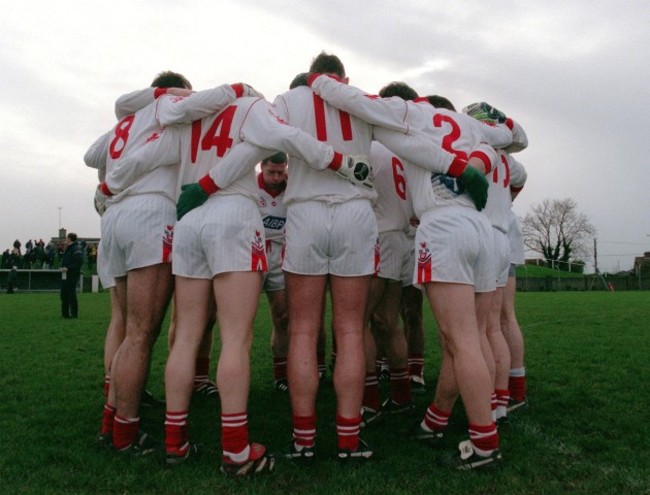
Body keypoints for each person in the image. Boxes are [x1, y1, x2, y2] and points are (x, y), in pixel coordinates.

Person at [117, 79, 371, 473]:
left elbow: (141, 157)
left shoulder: (187, 119)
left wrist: (109, 186)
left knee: (185, 334)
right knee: (236, 339)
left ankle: (174, 441)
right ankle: (235, 450)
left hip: (189, 220)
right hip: (232, 213)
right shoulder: (251, 108)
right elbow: (287, 137)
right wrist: (337, 161)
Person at [275, 53, 474, 463]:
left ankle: (304, 439)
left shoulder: (288, 100)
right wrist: (459, 166)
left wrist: (207, 186)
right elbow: (407, 144)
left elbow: (255, 141)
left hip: (306, 210)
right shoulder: (359, 102)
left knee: (302, 331)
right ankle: (349, 438)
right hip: (355, 214)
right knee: (351, 329)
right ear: (342, 78)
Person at [306, 75, 511, 469]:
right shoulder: (466, 124)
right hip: (481, 227)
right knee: (473, 337)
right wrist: (470, 166)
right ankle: (438, 418)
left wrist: (319, 80)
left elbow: (352, 100)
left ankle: (485, 443)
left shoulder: (407, 111)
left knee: (462, 341)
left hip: (443, 227)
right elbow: (501, 142)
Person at [257, 152, 291, 392]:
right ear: (262, 167)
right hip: (253, 253)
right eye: (272, 172)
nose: (277, 177)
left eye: (281, 172)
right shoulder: (249, 186)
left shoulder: (292, 187)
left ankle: (281, 375)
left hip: (280, 255)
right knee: (238, 320)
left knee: (283, 317)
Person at [60, 233, 83, 318]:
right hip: (65, 275)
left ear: (69, 239)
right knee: (64, 294)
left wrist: (68, 268)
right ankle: (64, 314)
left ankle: (74, 314)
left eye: (66, 238)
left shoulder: (76, 249)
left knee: (71, 294)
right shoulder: (68, 249)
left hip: (72, 275)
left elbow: (79, 262)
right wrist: (62, 267)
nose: (65, 239)